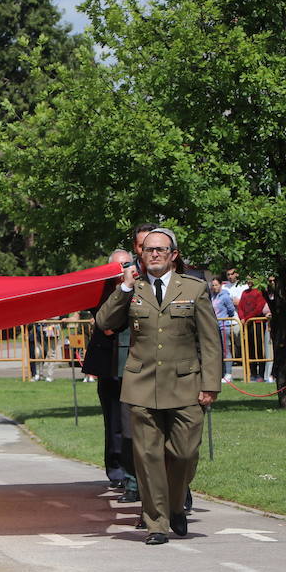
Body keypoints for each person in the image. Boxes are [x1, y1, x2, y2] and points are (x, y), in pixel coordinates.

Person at [96, 227, 220, 545]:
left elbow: (209, 341)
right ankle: (157, 523)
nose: (154, 254)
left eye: (161, 250)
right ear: (141, 254)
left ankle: (176, 505)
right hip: (141, 386)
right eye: (149, 249)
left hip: (185, 385)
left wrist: (210, 384)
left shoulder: (194, 289)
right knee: (148, 457)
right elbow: (105, 322)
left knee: (185, 453)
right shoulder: (132, 289)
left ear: (173, 255)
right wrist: (123, 288)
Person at [82, 251, 136, 496]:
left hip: (131, 361)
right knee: (113, 419)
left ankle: (131, 471)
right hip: (108, 361)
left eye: (126, 264)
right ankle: (115, 470)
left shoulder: (137, 284)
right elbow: (104, 320)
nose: (122, 268)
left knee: (131, 421)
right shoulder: (101, 289)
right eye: (118, 265)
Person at [236, 278, 271, 382]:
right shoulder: (244, 293)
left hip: (257, 323)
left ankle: (261, 374)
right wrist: (242, 318)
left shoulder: (260, 291)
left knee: (259, 349)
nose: (249, 281)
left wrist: (247, 318)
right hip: (247, 325)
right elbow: (240, 307)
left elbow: (259, 308)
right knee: (249, 349)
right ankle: (252, 373)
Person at [209, 277, 236, 383]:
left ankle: (229, 373)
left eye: (216, 285)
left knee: (226, 349)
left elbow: (231, 310)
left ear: (220, 285)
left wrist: (225, 318)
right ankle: (221, 372)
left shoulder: (225, 296)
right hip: (214, 326)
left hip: (224, 326)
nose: (214, 287)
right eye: (213, 285)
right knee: (217, 350)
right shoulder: (212, 297)